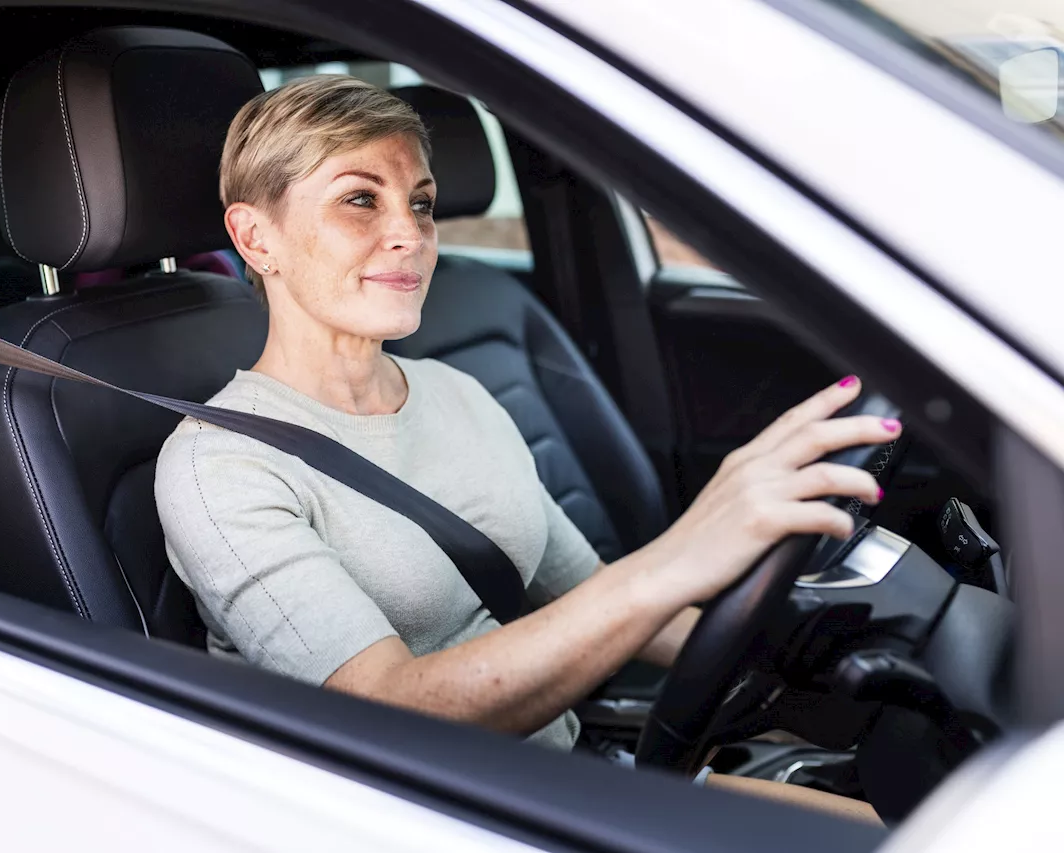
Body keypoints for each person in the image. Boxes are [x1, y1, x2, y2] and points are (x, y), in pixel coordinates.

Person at [155, 75, 894, 823]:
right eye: (360, 198)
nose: (410, 232)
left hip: (569, 774)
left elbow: (585, 596)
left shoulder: (457, 392)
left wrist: (831, 669)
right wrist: (674, 560)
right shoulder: (220, 465)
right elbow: (386, 717)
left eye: (421, 202)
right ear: (256, 237)